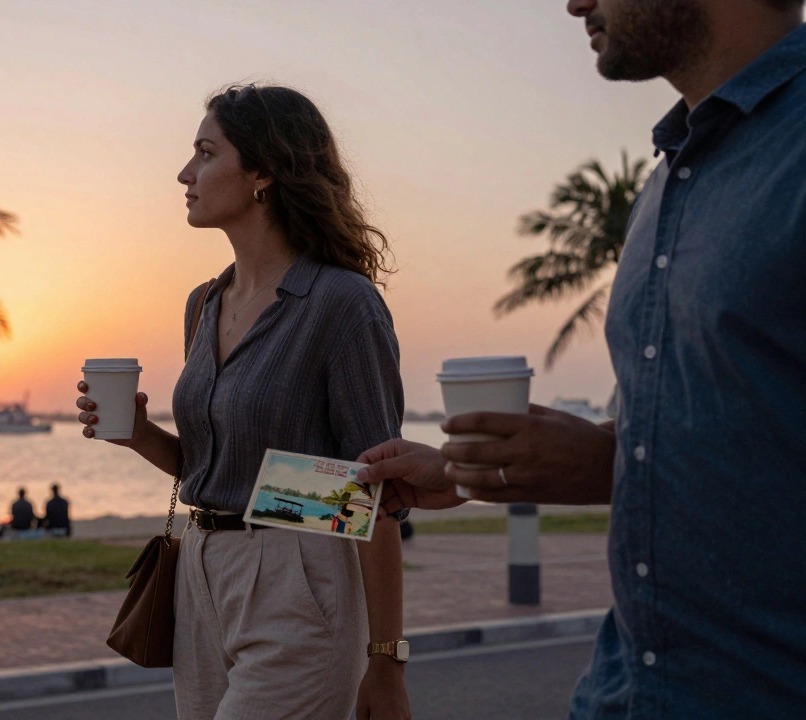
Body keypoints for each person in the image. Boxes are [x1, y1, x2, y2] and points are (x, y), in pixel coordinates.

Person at [357, 1, 806, 717]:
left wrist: (614, 462)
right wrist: (480, 466)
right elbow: (712, 435)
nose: (572, 3)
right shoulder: (667, 183)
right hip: (624, 694)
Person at [76, 84, 409, 719]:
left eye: (205, 152)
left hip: (297, 574)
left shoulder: (341, 304)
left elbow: (371, 495)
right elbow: (222, 470)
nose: (185, 173)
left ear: (263, 171)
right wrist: (139, 434)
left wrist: (386, 661)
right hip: (199, 568)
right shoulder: (205, 302)